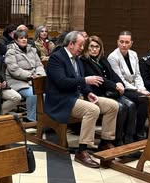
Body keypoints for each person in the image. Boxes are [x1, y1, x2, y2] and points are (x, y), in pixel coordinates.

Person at [45, 31, 119, 168]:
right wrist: (85, 80)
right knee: (92, 110)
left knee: (112, 105)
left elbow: (81, 82)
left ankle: (105, 141)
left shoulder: (77, 59)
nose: (82, 48)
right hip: (61, 100)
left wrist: (89, 92)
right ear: (71, 44)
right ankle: (82, 150)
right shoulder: (56, 58)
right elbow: (62, 82)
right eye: (80, 45)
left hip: (77, 97)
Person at [81, 35, 136, 146]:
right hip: (96, 93)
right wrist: (115, 86)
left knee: (131, 105)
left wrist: (119, 82)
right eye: (91, 46)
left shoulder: (102, 59)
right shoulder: (84, 61)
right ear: (87, 47)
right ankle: (116, 139)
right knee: (121, 107)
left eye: (97, 47)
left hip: (109, 92)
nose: (94, 49)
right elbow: (99, 79)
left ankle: (128, 138)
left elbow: (112, 73)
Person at [108, 31, 150, 140]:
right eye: (121, 42)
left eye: (127, 42)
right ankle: (137, 133)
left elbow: (137, 75)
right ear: (117, 42)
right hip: (123, 88)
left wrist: (141, 88)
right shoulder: (113, 57)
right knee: (143, 99)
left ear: (131, 43)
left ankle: (139, 130)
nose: (124, 45)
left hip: (135, 87)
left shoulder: (133, 54)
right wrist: (138, 90)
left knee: (148, 97)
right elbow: (120, 79)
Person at [5, 30, 46, 121]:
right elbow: (14, 70)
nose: (24, 40)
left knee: (45, 93)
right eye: (21, 38)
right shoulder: (11, 52)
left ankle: (43, 117)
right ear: (16, 40)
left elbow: (39, 65)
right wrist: (30, 75)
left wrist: (39, 74)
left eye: (25, 38)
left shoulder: (32, 50)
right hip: (18, 81)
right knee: (33, 94)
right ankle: (31, 118)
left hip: (34, 80)